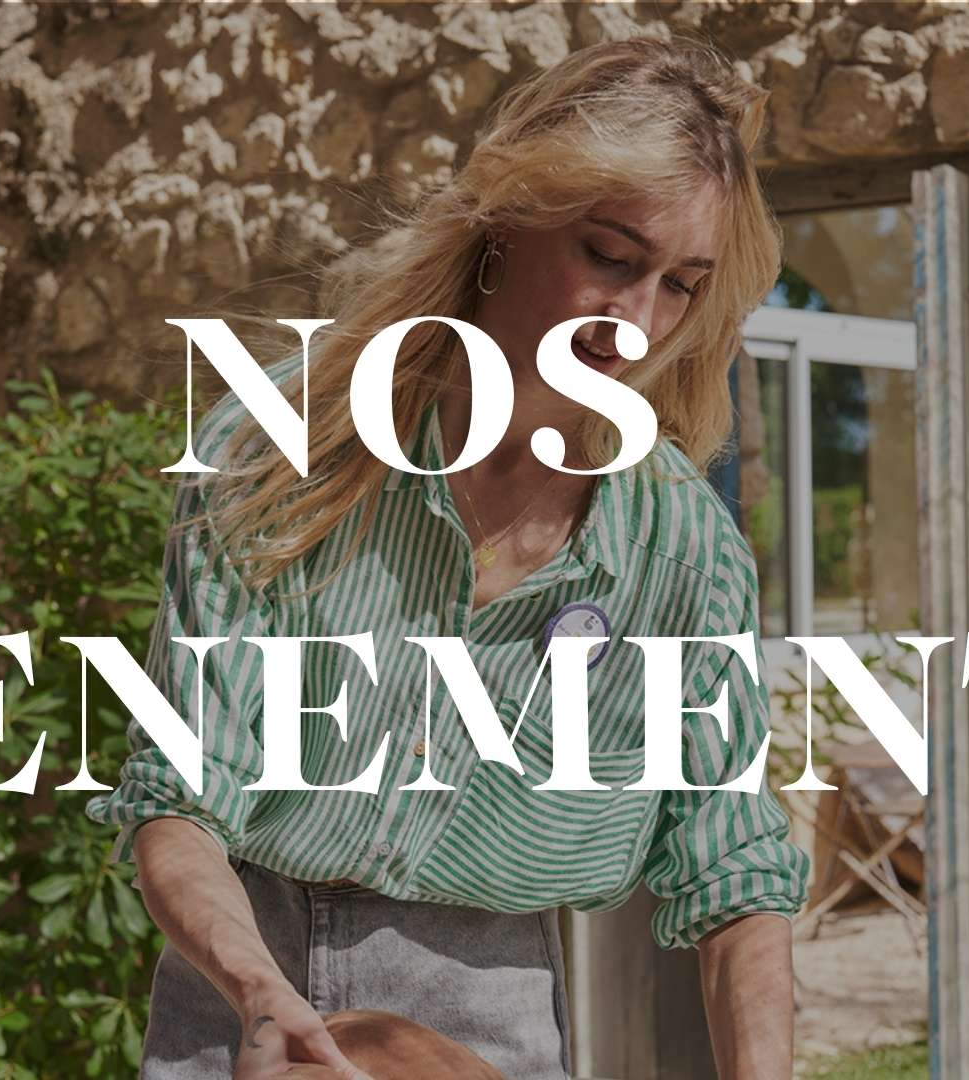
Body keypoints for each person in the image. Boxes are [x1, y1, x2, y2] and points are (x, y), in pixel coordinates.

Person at [87, 36, 808, 1080]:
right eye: (610, 256)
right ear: (510, 225)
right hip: (240, 989)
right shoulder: (290, 454)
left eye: (681, 286)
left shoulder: (681, 551)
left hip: (491, 1021)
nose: (636, 322)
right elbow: (180, 799)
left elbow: (736, 870)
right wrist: (255, 992)